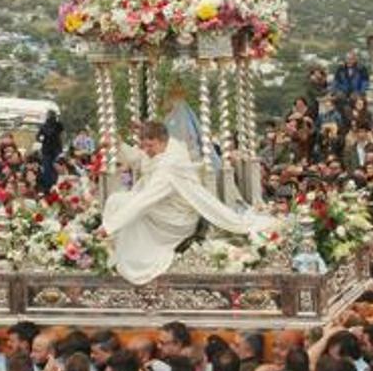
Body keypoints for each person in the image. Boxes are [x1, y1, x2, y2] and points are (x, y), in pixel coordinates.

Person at [100, 121, 272, 284]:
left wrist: (109, 226)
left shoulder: (169, 166)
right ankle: (124, 253)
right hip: (167, 209)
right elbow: (139, 159)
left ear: (162, 141)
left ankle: (135, 260)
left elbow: (144, 201)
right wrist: (118, 144)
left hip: (177, 219)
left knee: (123, 203)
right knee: (119, 200)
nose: (147, 151)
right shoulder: (168, 148)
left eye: (150, 146)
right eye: (144, 146)